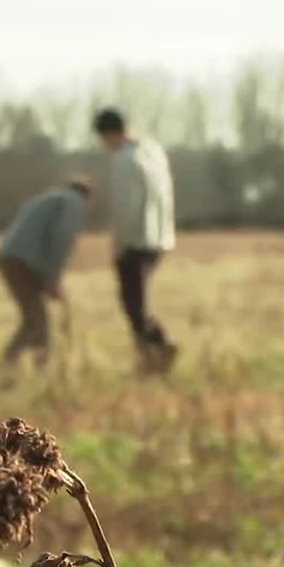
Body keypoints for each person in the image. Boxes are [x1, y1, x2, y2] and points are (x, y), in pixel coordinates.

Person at [94, 107, 178, 373]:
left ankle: (155, 354)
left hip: (134, 241)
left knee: (133, 305)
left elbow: (125, 208)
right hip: (158, 239)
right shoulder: (153, 152)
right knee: (137, 303)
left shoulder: (123, 160)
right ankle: (156, 350)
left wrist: (119, 245)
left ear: (108, 134)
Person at [0, 178, 90, 368]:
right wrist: (53, 279)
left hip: (11, 258)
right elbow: (61, 238)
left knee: (34, 318)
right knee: (37, 320)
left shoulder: (48, 197)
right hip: (23, 263)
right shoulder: (72, 202)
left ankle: (13, 364)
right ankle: (33, 367)